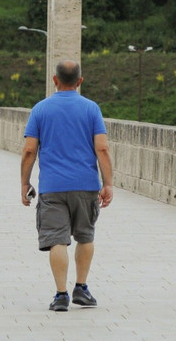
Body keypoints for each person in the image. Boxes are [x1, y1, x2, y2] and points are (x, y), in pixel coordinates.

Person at [20, 60, 113, 312]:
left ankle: (61, 295)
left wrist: (25, 182)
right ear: (80, 81)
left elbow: (29, 150)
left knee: (57, 240)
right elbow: (102, 148)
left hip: (52, 187)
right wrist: (108, 184)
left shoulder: (40, 109)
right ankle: (81, 288)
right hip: (86, 185)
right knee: (85, 236)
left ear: (55, 80)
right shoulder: (91, 109)